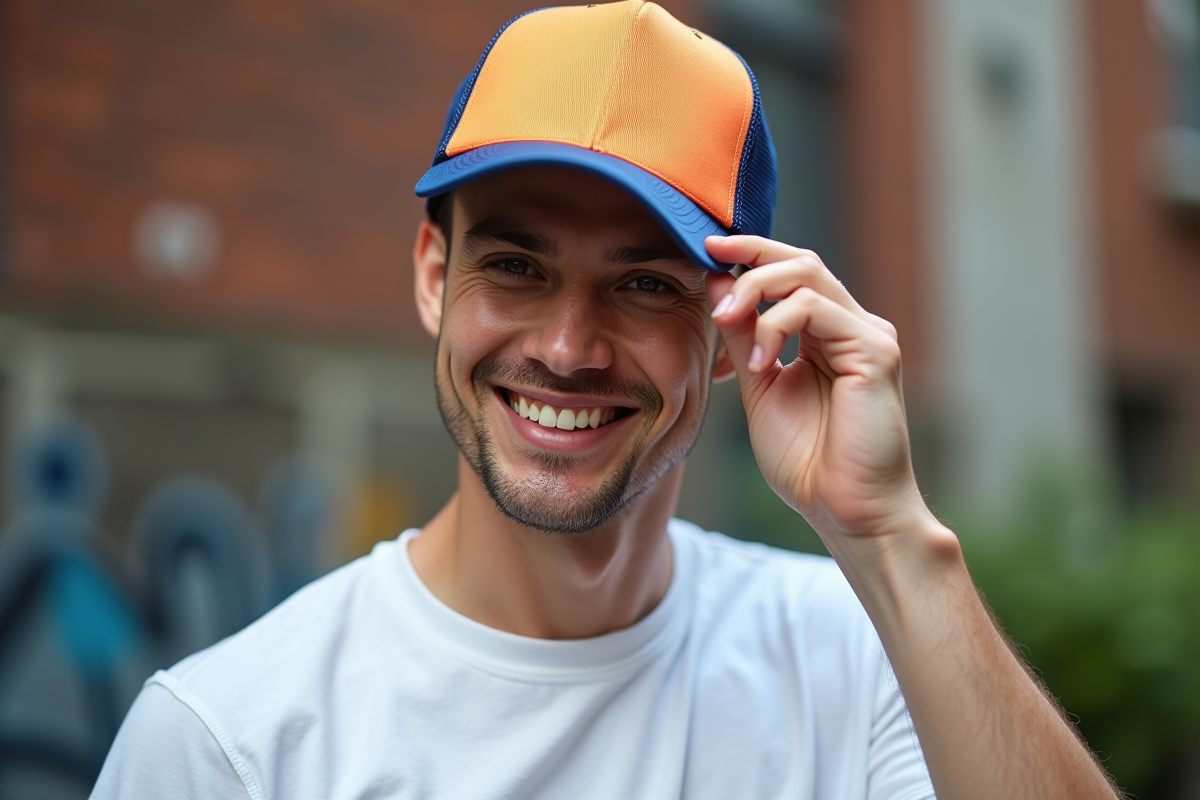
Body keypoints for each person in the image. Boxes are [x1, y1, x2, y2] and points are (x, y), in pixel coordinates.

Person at [93, 2, 1121, 798]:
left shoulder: (848, 658)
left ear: (733, 331)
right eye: (516, 267)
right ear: (429, 274)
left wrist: (892, 537)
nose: (567, 347)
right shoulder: (230, 738)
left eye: (643, 283)